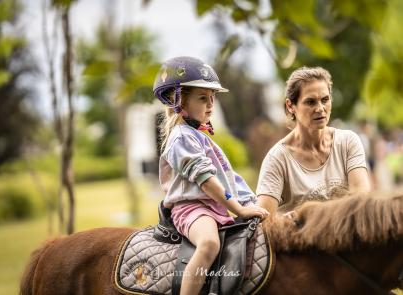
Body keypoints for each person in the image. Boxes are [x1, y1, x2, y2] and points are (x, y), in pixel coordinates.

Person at [153, 56, 268, 295]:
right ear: (179, 101)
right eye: (203, 98)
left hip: (213, 207)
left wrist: (251, 202)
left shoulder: (202, 138)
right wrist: (239, 209)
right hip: (191, 209)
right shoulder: (181, 137)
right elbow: (206, 181)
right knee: (209, 244)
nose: (211, 104)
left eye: (213, 97)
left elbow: (229, 179)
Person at [256, 66, 371, 215]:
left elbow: (361, 199)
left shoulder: (347, 142)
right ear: (290, 106)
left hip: (346, 235)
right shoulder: (277, 159)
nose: (320, 108)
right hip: (299, 237)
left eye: (325, 100)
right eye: (310, 102)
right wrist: (286, 221)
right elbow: (265, 222)